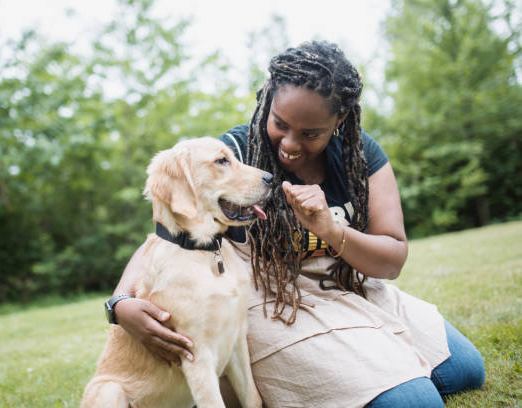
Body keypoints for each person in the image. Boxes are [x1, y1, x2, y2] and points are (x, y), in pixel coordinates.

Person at [107, 41, 485, 407]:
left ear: (339, 120)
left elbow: (391, 260)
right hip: (275, 301)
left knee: (466, 371)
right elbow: (172, 233)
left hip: (349, 286)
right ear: (267, 101)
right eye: (280, 123)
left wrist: (332, 231)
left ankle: (372, 361)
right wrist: (121, 303)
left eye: (310, 134)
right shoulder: (234, 155)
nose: (289, 144)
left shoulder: (361, 155)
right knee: (414, 403)